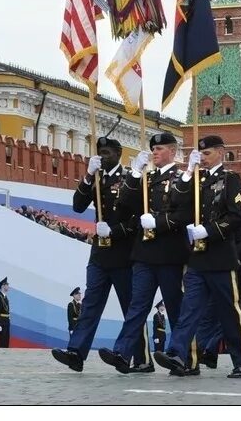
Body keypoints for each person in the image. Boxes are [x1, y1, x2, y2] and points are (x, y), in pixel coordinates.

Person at [153, 135, 241, 378]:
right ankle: (178, 354)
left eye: (207, 154)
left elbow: (237, 216)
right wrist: (188, 172)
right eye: (201, 155)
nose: (204, 159)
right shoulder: (196, 180)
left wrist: (209, 230)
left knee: (229, 311)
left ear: (220, 152)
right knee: (190, 310)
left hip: (220, 256)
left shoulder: (230, 179)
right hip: (197, 258)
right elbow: (177, 201)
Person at [98, 132, 192, 374]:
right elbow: (125, 202)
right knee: (137, 306)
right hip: (144, 254)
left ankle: (184, 358)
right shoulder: (146, 178)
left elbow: (184, 214)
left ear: (173, 151)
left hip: (170, 253)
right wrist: (136, 173)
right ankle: (123, 352)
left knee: (175, 307)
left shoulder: (182, 178)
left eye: (160, 149)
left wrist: (158, 223)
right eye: (153, 149)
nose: (155, 152)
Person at [52, 137, 147, 372]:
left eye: (107, 153)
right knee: (91, 304)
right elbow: (78, 206)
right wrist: (86, 177)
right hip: (100, 253)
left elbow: (137, 218)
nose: (103, 157)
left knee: (130, 308)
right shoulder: (96, 177)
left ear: (118, 154)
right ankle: (76, 352)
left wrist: (114, 231)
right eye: (100, 153)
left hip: (123, 252)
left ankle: (141, 358)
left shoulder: (129, 178)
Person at [0, 277, 11, 348]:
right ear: (3, 286)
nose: (8, 286)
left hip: (6, 321)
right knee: (1, 342)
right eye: (7, 284)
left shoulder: (5, 297)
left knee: (6, 341)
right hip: (1, 322)